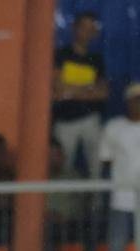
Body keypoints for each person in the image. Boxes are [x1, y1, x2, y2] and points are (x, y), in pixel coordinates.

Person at [52, 12, 109, 176]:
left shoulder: (96, 59)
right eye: (83, 27)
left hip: (91, 119)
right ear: (74, 28)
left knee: (96, 167)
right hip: (65, 121)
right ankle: (63, 202)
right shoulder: (61, 54)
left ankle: (95, 202)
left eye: (91, 28)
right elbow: (57, 89)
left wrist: (69, 91)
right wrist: (88, 89)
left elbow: (102, 93)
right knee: (63, 166)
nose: (86, 32)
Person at [99, 83, 140, 251]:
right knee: (116, 249)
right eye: (135, 99)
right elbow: (106, 160)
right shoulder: (114, 127)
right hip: (121, 198)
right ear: (128, 102)